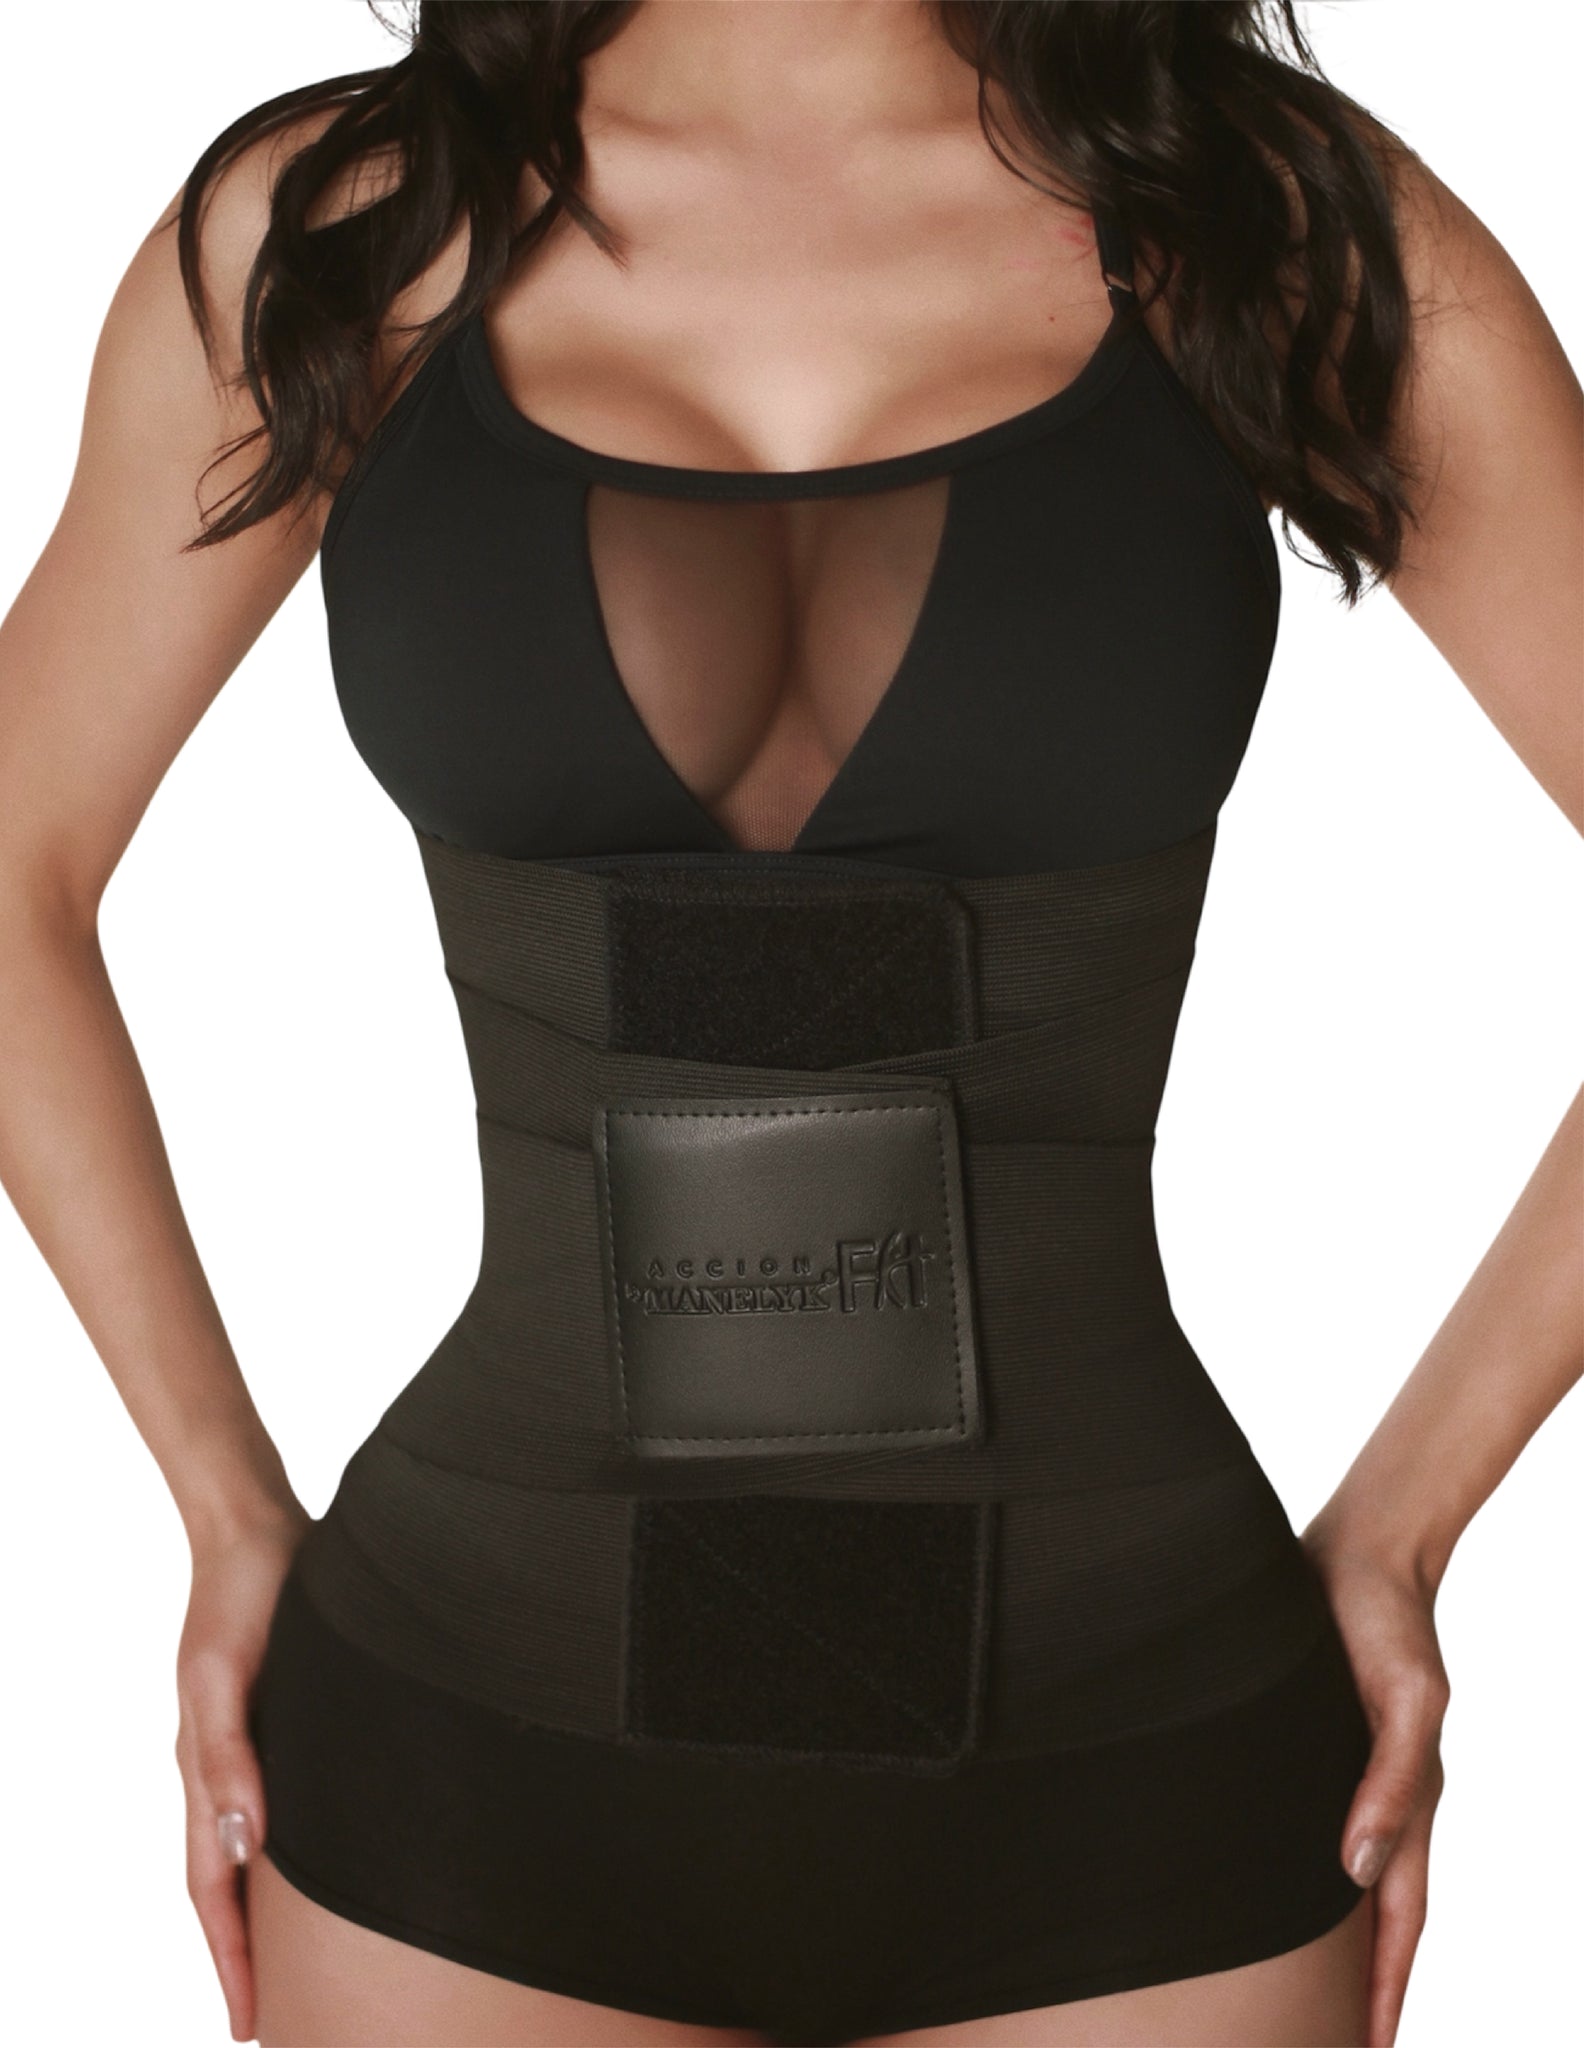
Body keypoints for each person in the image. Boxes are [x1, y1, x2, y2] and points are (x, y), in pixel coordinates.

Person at [0, 4, 1578, 2046]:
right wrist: (220, 1503)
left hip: (1140, 1762)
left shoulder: (1268, 222)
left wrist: (1408, 1523)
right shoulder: (340, 235)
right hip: (477, 1753)